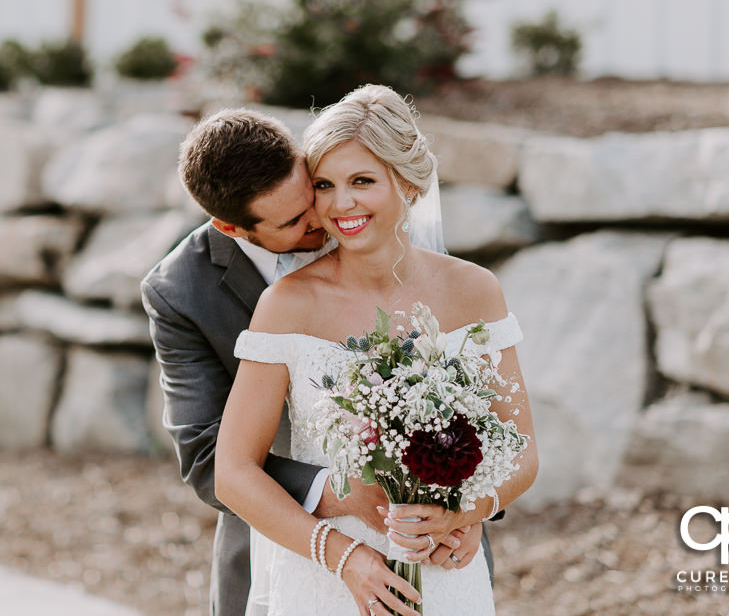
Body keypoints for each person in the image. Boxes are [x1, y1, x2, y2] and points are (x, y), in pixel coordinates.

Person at [141, 108, 489, 616]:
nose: (323, 219)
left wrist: (466, 506)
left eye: (314, 193)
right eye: (292, 221)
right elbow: (206, 456)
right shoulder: (180, 291)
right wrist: (340, 498)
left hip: (430, 536)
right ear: (231, 226)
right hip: (285, 543)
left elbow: (466, 397)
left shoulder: (371, 221)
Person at [215, 85, 539, 616]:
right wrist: (344, 558)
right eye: (325, 185)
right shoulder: (286, 305)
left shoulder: (475, 291)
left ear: (408, 183)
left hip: (443, 571)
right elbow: (232, 473)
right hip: (325, 580)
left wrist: (466, 513)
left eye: (361, 181)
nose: (341, 204)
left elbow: (522, 452)